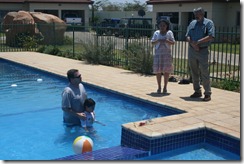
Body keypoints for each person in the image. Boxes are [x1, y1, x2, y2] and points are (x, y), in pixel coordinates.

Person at [185, 7, 215, 101]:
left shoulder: (209, 23)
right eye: (195, 14)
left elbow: (211, 36)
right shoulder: (192, 23)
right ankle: (197, 91)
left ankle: (207, 93)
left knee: (204, 72)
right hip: (192, 50)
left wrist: (197, 42)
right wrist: (193, 45)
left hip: (203, 50)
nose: (196, 16)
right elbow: (187, 35)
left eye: (198, 14)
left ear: (202, 13)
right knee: (194, 71)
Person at [151, 19, 175, 94]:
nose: (162, 27)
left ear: (166, 26)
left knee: (166, 71)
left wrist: (167, 41)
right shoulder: (156, 33)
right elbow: (152, 42)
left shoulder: (169, 33)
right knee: (158, 71)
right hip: (158, 54)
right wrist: (158, 40)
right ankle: (159, 87)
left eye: (164, 25)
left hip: (166, 54)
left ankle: (165, 87)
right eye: (160, 25)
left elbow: (173, 42)